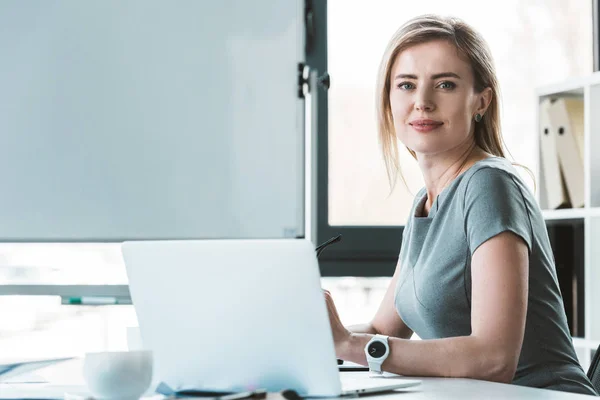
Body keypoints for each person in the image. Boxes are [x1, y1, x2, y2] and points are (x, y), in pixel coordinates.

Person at [324, 14, 598, 396]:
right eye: (406, 85)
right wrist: (316, 334)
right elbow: (382, 332)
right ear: (389, 100)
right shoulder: (425, 203)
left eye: (446, 85)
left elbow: (494, 358)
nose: (422, 102)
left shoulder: (489, 185)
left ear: (480, 102)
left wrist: (349, 345)